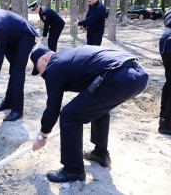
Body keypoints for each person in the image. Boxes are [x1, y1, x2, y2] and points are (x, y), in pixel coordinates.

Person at [30, 46, 148, 182]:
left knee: (69, 116)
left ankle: (73, 170)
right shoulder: (69, 56)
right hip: (138, 74)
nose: (40, 74)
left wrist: (42, 135)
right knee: (98, 109)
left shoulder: (53, 65)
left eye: (38, 69)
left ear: (45, 59)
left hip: (120, 77)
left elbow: (53, 107)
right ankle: (100, 154)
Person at [159, 8, 171, 135]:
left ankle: (163, 117)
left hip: (165, 43)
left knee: (169, 83)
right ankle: (166, 123)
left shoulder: (169, 10)